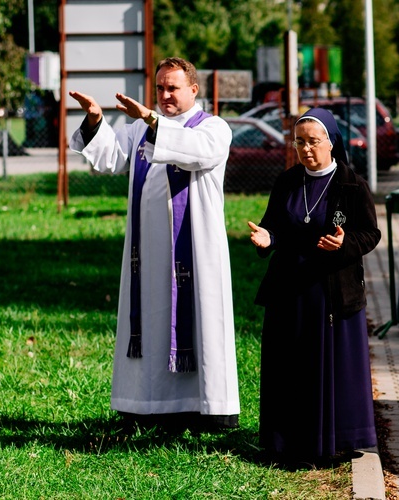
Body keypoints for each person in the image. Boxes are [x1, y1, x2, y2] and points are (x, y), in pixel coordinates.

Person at [68, 57, 240, 429]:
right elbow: (112, 160)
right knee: (151, 320)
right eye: (160, 88)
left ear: (194, 89)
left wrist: (151, 120)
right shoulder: (139, 129)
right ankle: (146, 405)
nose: (164, 95)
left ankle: (205, 408)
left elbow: (197, 152)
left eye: (172, 88)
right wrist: (96, 120)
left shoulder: (213, 128)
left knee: (197, 320)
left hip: (193, 251)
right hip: (146, 256)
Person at [247, 107, 381, 465]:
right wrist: (267, 238)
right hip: (289, 291)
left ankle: (334, 440)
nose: (306, 149)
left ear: (332, 142)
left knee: (330, 369)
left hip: (332, 293)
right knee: (289, 368)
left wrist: (345, 244)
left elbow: (370, 233)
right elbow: (273, 225)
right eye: (299, 142)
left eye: (313, 142)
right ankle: (285, 441)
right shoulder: (288, 182)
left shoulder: (351, 183)